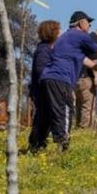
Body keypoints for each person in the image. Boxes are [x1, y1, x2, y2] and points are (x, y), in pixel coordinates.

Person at [37, 11, 97, 151]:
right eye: (88, 22)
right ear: (80, 23)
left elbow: (86, 61)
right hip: (60, 77)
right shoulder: (79, 35)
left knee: (50, 111)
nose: (90, 25)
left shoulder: (67, 39)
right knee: (66, 109)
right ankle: (63, 145)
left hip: (47, 77)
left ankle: (38, 144)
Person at [26, 20, 61, 153]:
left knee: (45, 119)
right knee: (42, 119)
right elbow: (41, 70)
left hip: (46, 91)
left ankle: (39, 144)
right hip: (43, 91)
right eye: (58, 30)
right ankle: (35, 144)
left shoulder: (48, 49)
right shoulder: (43, 51)